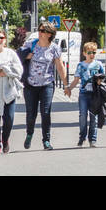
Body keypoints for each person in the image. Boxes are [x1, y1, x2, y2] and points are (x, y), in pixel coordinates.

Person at [21, 22, 68, 150]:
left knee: (46, 112)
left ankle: (46, 141)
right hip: (30, 85)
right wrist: (27, 56)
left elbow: (60, 67)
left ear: (49, 34)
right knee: (31, 114)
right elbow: (18, 57)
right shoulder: (30, 45)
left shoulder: (54, 48)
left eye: (42, 31)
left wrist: (66, 85)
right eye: (40, 30)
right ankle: (29, 134)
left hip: (47, 84)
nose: (40, 33)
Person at [66, 42, 106, 147]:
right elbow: (76, 80)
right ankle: (82, 137)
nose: (92, 54)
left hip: (95, 94)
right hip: (83, 94)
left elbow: (104, 77)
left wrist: (100, 81)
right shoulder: (81, 65)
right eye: (89, 52)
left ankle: (92, 139)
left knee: (94, 117)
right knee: (82, 116)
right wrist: (69, 88)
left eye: (94, 52)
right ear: (84, 53)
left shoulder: (98, 64)